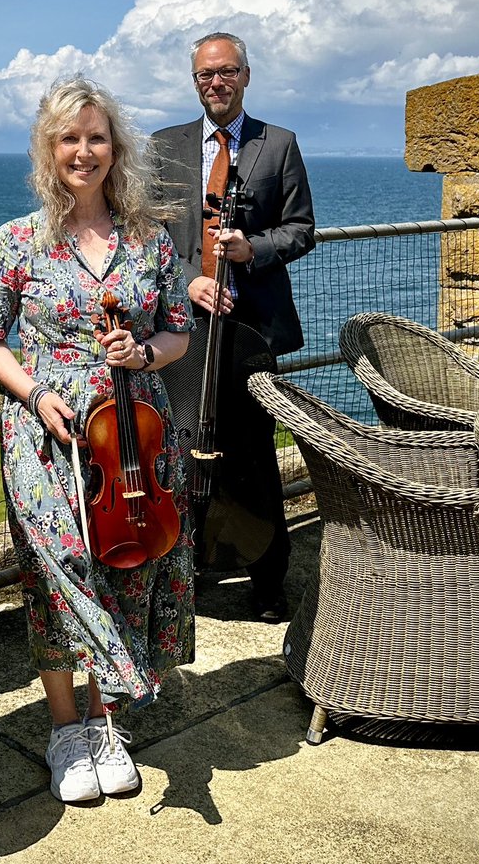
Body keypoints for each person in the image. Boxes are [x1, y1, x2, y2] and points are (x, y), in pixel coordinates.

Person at [0, 76, 194, 804]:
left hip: (134, 432)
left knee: (127, 561)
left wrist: (146, 355)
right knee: (57, 564)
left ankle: (104, 723)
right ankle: (64, 726)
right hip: (46, 429)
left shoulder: (149, 238)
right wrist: (35, 393)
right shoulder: (15, 242)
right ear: (49, 149)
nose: (84, 150)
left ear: (115, 148)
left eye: (97, 137)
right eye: (69, 137)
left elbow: (178, 332)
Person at [152, 31, 315, 623]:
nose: (214, 84)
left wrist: (253, 250)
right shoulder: (163, 147)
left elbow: (301, 229)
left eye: (225, 73)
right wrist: (189, 278)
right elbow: (145, 231)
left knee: (253, 455)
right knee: (183, 448)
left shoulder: (279, 145)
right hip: (183, 327)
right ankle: (187, 572)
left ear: (246, 75)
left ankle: (269, 579)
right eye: (203, 75)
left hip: (250, 329)